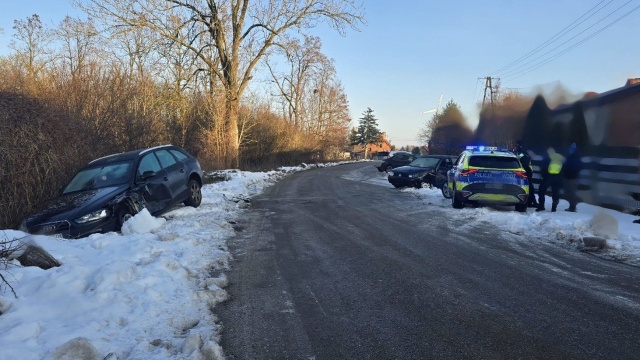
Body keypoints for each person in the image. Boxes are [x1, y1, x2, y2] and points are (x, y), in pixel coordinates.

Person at [536, 147, 565, 212]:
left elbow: (543, 168)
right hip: (558, 178)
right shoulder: (560, 157)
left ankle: (541, 206)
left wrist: (544, 176)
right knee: (555, 192)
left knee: (541, 191)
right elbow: (564, 168)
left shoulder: (547, 157)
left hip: (548, 178)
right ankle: (554, 207)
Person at [514, 139, 538, 207]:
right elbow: (525, 164)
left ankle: (531, 202)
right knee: (530, 188)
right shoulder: (522, 153)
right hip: (525, 173)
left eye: (516, 144)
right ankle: (531, 202)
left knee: (529, 188)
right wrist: (528, 172)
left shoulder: (518, 152)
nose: (515, 146)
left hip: (522, 172)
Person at [563, 143, 582, 212]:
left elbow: (569, 166)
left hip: (570, 178)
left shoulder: (571, 157)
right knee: (570, 192)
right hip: (573, 177)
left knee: (570, 192)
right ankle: (572, 206)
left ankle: (572, 207)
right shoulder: (576, 157)